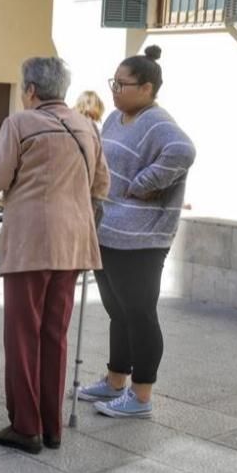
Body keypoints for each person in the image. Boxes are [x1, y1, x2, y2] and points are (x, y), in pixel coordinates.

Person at [0, 57, 109, 454]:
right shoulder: (86, 125)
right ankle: (52, 427)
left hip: (31, 242)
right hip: (72, 244)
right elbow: (101, 184)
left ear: (31, 90)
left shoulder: (19, 123)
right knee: (55, 334)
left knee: (23, 335)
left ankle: (26, 426)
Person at [76, 45, 196, 419]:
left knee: (140, 312)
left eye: (122, 84)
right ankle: (115, 381)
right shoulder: (115, 118)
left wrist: (144, 183)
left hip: (142, 238)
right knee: (118, 311)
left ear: (146, 88)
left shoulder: (158, 122)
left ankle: (141, 396)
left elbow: (183, 150)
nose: (115, 90)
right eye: (113, 82)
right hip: (107, 230)